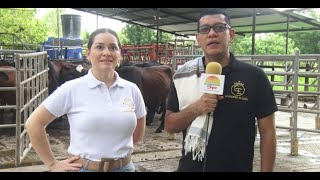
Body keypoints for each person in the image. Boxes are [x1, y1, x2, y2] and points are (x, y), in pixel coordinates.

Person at [165, 8, 277, 172]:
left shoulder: (255, 76)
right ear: (198, 39)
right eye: (205, 29)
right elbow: (170, 126)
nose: (211, 33)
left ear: (231, 35)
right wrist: (197, 107)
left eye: (219, 27)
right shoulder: (183, 76)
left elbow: (267, 131)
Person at [26, 28, 146, 172]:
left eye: (113, 47)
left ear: (119, 54)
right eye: (99, 47)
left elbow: (138, 133)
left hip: (125, 168)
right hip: (85, 168)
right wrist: (52, 164)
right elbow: (34, 123)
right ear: (88, 53)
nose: (107, 52)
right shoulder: (72, 88)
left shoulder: (132, 90)